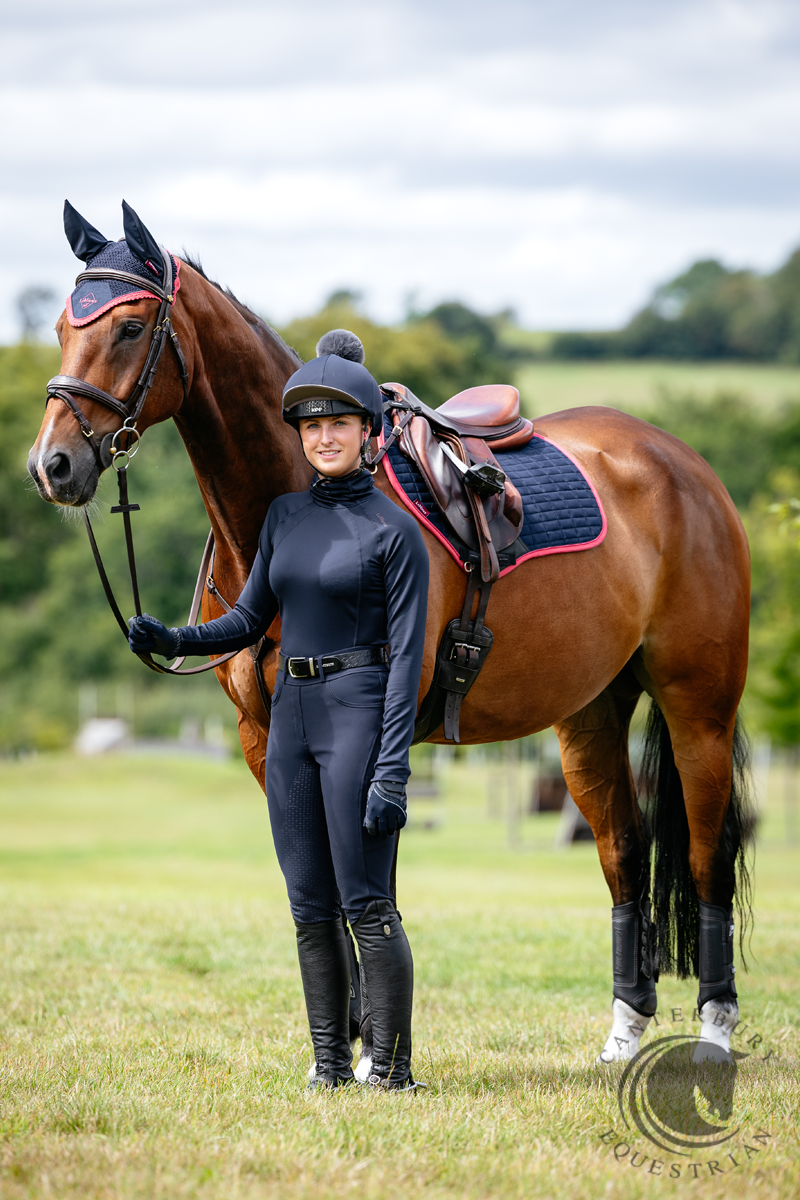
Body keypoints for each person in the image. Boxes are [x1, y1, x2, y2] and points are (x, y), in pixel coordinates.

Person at [128, 330, 430, 1091]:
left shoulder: (396, 534)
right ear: (299, 435)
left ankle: (390, 1070)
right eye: (311, 426)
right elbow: (246, 618)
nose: (324, 437)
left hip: (360, 711)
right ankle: (330, 1065)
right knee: (308, 906)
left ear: (368, 433)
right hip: (290, 714)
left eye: (340, 424)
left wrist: (392, 770)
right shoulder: (285, 518)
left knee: (367, 902)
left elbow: (404, 669)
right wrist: (173, 638)